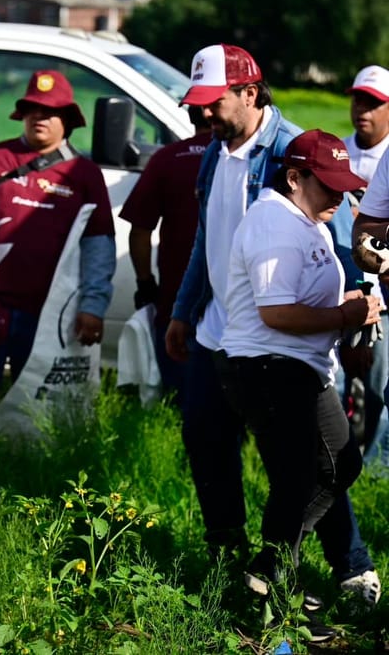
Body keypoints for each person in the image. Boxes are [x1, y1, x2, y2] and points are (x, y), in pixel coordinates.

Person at [168, 43, 378, 604]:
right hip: (224, 332)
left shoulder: (295, 154)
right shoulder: (215, 152)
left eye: (214, 103)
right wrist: (184, 311)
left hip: (283, 341)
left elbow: (337, 246)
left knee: (313, 463)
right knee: (209, 442)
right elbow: (205, 240)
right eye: (199, 103)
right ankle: (229, 556)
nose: (203, 115)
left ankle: (348, 565)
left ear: (250, 93)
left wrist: (356, 323)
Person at [218, 130, 380, 629]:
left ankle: (267, 576)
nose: (338, 196)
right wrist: (345, 317)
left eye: (343, 186)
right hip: (268, 366)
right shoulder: (273, 222)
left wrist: (352, 313)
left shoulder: (303, 220)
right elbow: (277, 314)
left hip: (298, 368)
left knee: (333, 469)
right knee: (301, 481)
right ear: (294, 177)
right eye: (327, 184)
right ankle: (269, 596)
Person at [0, 69, 115, 395]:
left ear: (67, 118)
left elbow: (99, 246)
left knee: (35, 403)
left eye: (50, 111)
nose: (39, 116)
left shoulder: (85, 174)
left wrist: (92, 306)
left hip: (50, 310)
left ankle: (21, 447)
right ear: (22, 114)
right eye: (33, 109)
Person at [119, 106, 212, 397]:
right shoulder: (246, 160)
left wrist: (145, 283)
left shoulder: (167, 159)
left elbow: (140, 230)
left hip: (176, 302)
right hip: (235, 306)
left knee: (178, 397)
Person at [342, 64, 389, 458]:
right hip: (345, 286)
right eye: (359, 99)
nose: (363, 110)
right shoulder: (337, 153)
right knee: (340, 380)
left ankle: (370, 462)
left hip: (383, 298)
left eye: (374, 103)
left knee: (377, 388)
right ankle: (341, 462)